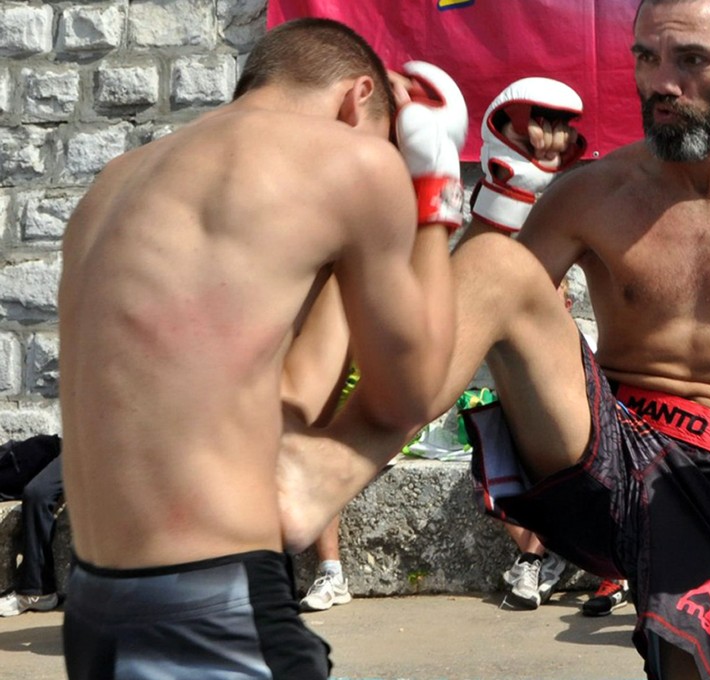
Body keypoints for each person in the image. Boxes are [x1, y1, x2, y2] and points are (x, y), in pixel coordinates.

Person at [281, 1, 710, 678]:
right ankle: (319, 477)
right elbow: (471, 308)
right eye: (647, 58)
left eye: (692, 60)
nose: (663, 84)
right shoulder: (594, 193)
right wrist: (481, 207)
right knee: (500, 261)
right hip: (607, 458)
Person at [57, 17, 462, 679]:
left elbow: (284, 395)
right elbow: (409, 395)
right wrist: (434, 192)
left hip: (96, 607)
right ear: (357, 98)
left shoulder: (116, 182)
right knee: (496, 274)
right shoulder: (352, 160)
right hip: (213, 602)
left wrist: (345, 270)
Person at [0, 433, 63, 617]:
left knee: (37, 494)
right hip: (62, 446)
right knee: (36, 447)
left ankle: (38, 592)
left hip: (98, 450)